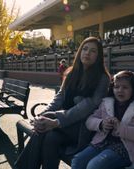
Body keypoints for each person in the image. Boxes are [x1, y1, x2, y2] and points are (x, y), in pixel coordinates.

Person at [14, 37, 111, 169]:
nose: (87, 53)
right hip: (63, 123)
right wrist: (41, 116)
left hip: (83, 127)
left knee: (46, 131)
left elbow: (89, 106)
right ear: (79, 52)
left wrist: (57, 122)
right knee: (49, 136)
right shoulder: (71, 73)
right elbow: (59, 98)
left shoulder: (102, 78)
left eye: (93, 51)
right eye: (85, 49)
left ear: (98, 57)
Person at [71, 70, 134, 169]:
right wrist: (101, 124)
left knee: (94, 166)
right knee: (78, 160)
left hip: (126, 149)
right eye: (116, 87)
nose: (120, 90)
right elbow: (90, 120)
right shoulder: (107, 103)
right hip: (102, 143)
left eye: (125, 87)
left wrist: (121, 128)